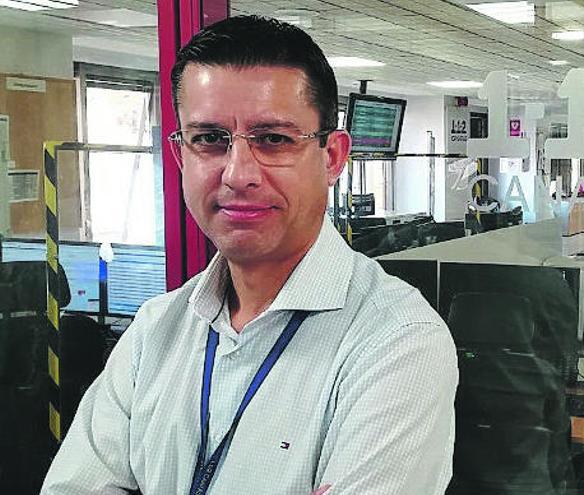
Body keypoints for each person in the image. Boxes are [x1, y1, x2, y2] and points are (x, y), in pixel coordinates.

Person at [41, 16, 458, 495]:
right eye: (209, 139)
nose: (238, 174)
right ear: (181, 157)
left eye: (274, 139)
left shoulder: (397, 341)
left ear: (333, 157)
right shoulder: (155, 329)